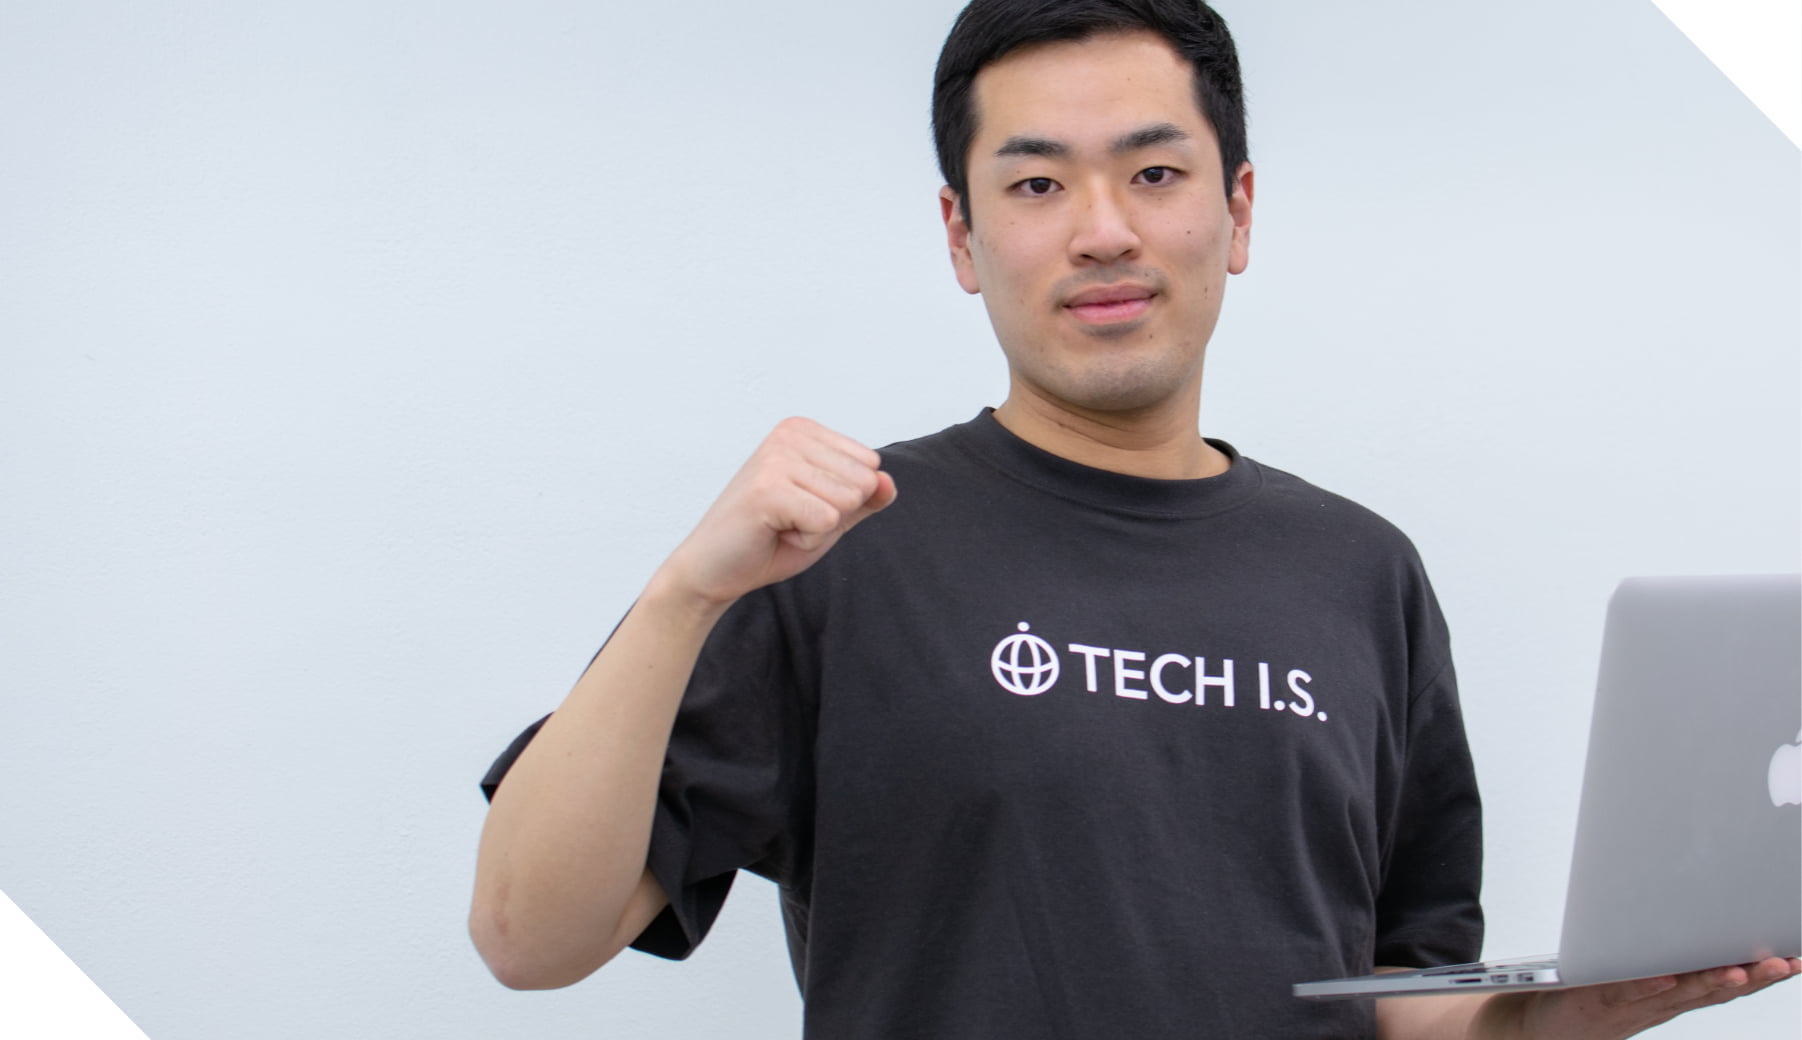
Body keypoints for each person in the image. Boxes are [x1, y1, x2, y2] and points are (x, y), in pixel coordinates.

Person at [468, 1, 1799, 1036]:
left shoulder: (1363, 573)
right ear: (960, 235)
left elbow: (1395, 994)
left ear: (1237, 210)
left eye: (1155, 173)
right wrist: (686, 592)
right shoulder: (841, 545)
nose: (1102, 231)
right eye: (1037, 185)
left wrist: (1570, 1015)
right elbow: (528, 938)